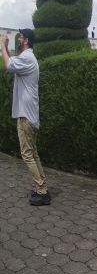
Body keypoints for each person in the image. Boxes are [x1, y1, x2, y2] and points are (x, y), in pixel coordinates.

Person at [1, 28, 49, 206]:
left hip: (26, 116)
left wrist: (2, 46)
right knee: (33, 154)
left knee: (27, 154)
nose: (19, 38)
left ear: (26, 40)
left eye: (20, 37)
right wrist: (7, 49)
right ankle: (41, 187)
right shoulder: (28, 57)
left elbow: (8, 65)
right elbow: (12, 61)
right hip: (30, 115)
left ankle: (42, 191)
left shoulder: (28, 58)